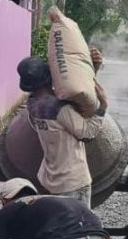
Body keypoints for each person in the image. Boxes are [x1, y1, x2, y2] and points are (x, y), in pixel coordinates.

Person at [18, 48, 107, 207]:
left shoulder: (32, 103)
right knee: (76, 226)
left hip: (50, 178)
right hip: (72, 181)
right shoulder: (60, 108)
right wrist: (103, 108)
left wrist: (93, 69)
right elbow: (87, 133)